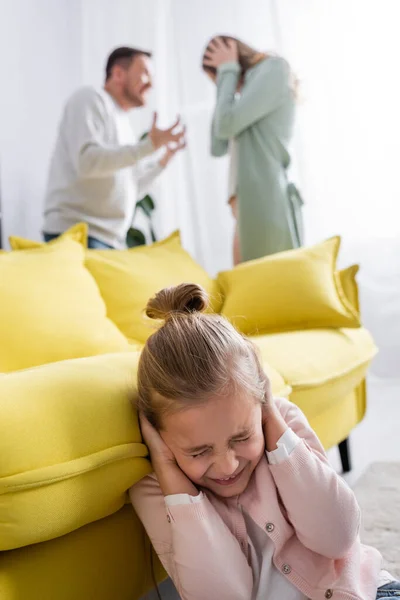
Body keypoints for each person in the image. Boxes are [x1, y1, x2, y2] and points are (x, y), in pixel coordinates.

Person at [130, 282, 399, 600]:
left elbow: (338, 538)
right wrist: (172, 478)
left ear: (262, 405)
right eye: (200, 451)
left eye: (241, 437)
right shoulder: (156, 486)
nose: (227, 465)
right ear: (160, 438)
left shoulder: (281, 422)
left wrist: (273, 422)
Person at [43, 47, 185, 249]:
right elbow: (87, 162)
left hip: (108, 238)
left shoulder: (123, 122)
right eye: (144, 73)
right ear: (118, 73)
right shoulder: (90, 99)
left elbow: (130, 189)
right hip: (78, 234)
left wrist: (162, 162)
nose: (151, 84)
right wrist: (148, 146)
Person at [202, 36, 304, 265]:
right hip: (245, 208)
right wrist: (224, 82)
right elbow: (217, 146)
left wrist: (228, 70)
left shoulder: (274, 68)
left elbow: (226, 124)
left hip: (268, 201)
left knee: (270, 287)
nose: (222, 81)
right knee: (250, 288)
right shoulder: (244, 98)